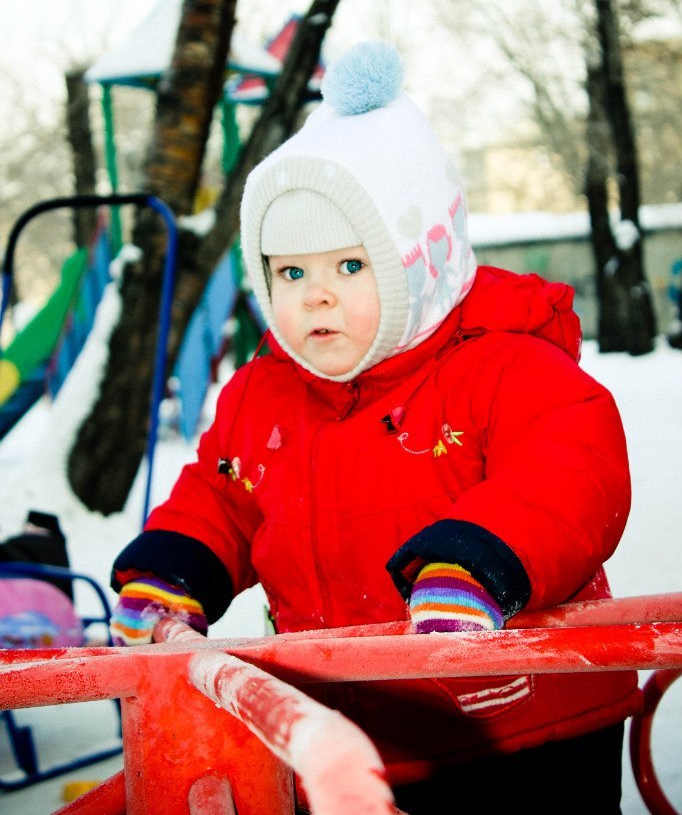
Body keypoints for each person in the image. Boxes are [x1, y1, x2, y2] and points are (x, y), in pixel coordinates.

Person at [110, 41, 641, 814]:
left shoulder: (499, 368)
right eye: (290, 273)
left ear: (420, 261)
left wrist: (483, 558)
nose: (315, 298)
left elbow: (571, 470)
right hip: (343, 743)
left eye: (349, 268)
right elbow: (224, 497)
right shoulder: (263, 396)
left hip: (522, 730)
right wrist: (175, 566)